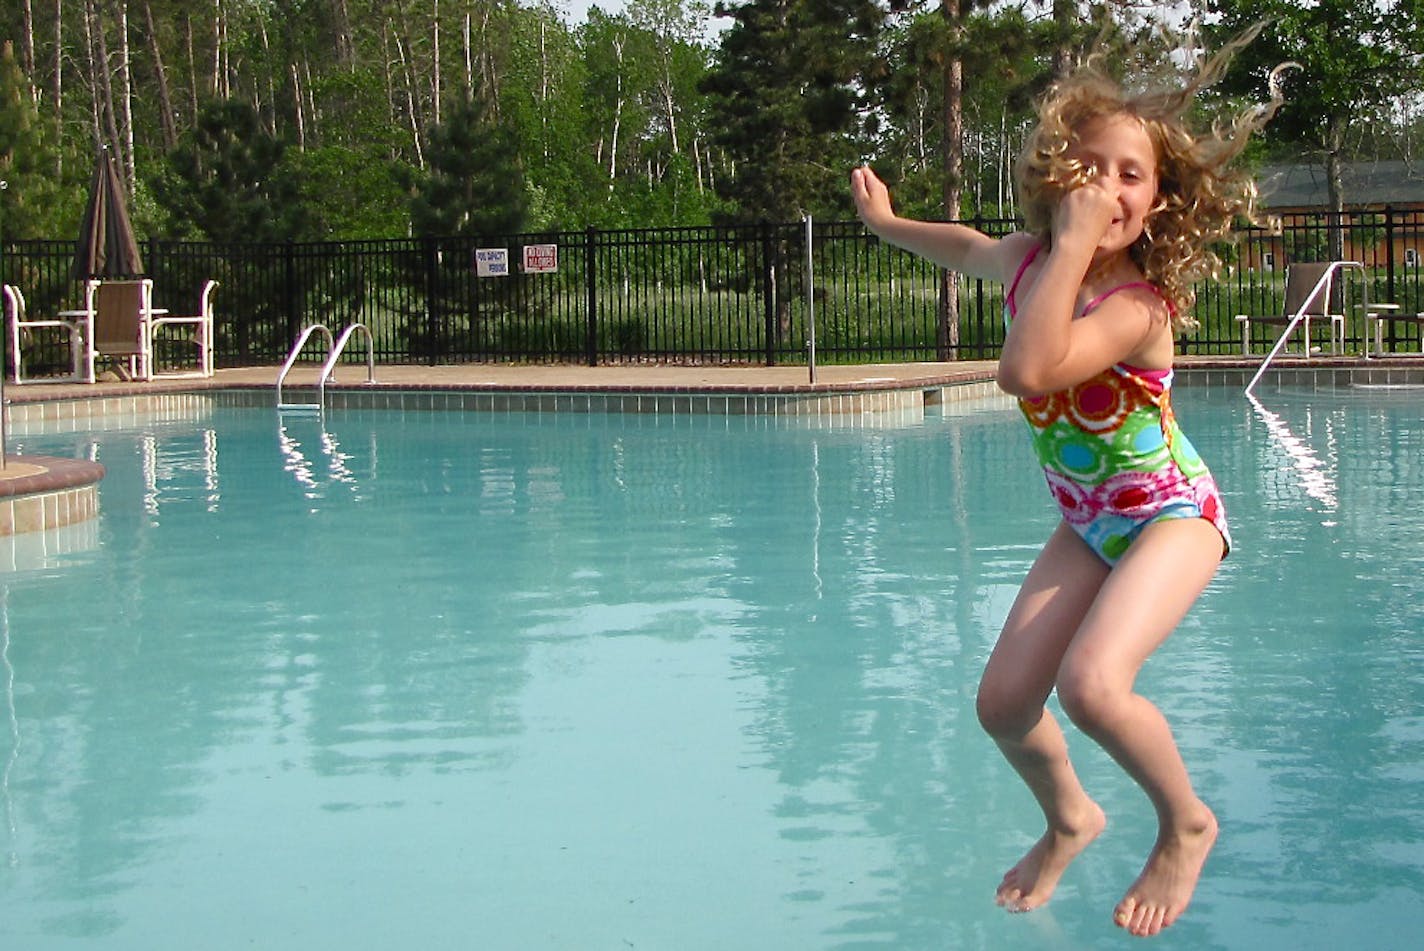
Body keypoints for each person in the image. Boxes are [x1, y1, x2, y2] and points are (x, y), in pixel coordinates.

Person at [851, 29, 1288, 939]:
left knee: (1093, 683)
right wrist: (889, 225)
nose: (1107, 187)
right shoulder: (1023, 261)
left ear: (1157, 200)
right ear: (1054, 176)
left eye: (1131, 174)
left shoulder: (1135, 307)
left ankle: (1186, 821)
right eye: (1088, 167)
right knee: (1003, 704)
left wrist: (1075, 249)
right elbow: (967, 245)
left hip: (1173, 513)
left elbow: (1028, 370)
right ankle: (1070, 818)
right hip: (1090, 522)